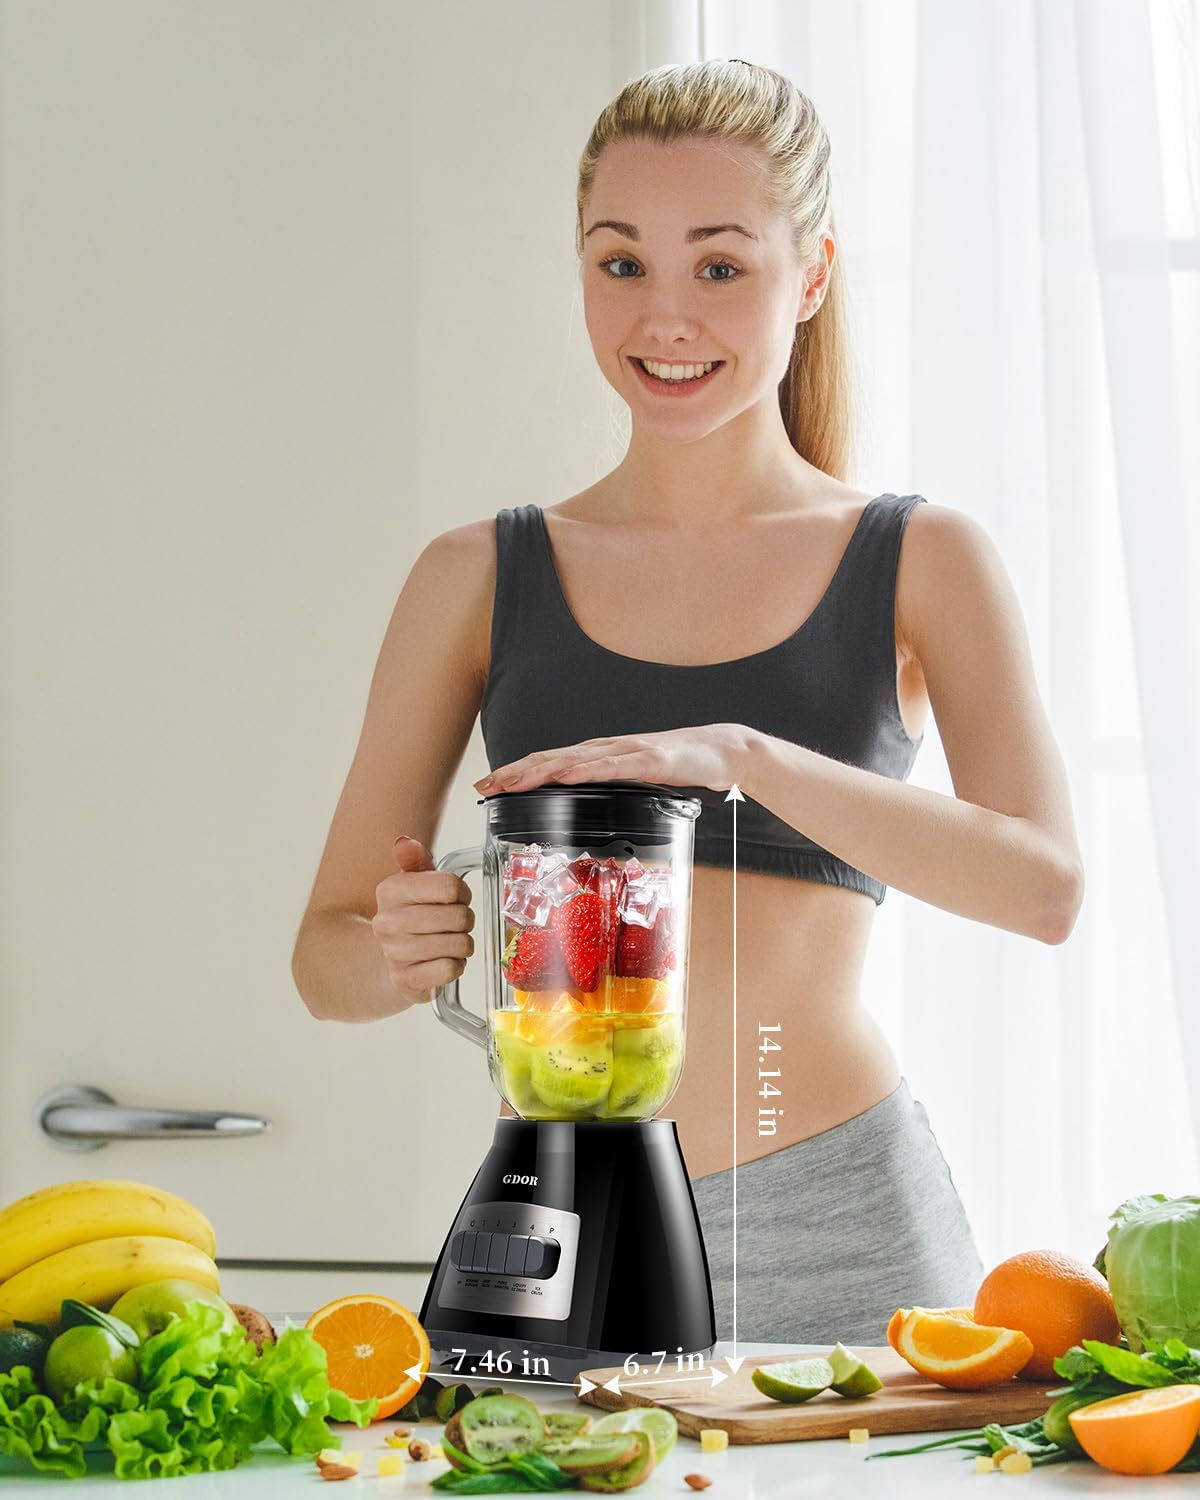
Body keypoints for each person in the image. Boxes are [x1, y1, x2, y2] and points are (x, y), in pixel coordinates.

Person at [291, 59, 1084, 1345]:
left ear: (811, 276)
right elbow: (322, 961)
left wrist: (740, 754)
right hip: (559, 1219)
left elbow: (1042, 887)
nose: (665, 316)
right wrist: (395, 951)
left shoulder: (921, 558)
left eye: (720, 266)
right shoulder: (476, 575)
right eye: (621, 264)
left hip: (839, 1214)